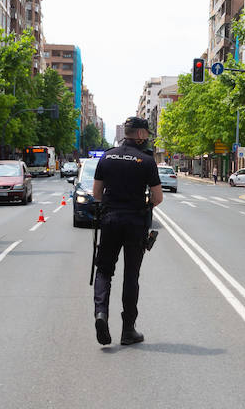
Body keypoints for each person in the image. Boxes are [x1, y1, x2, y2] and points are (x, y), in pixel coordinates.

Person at [92, 117, 164, 346]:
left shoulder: (107, 156)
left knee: (104, 271)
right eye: (147, 134)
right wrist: (142, 205)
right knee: (131, 276)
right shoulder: (146, 160)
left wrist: (113, 204)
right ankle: (127, 331)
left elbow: (96, 194)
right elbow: (158, 197)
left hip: (110, 220)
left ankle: (101, 314)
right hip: (135, 223)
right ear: (141, 135)